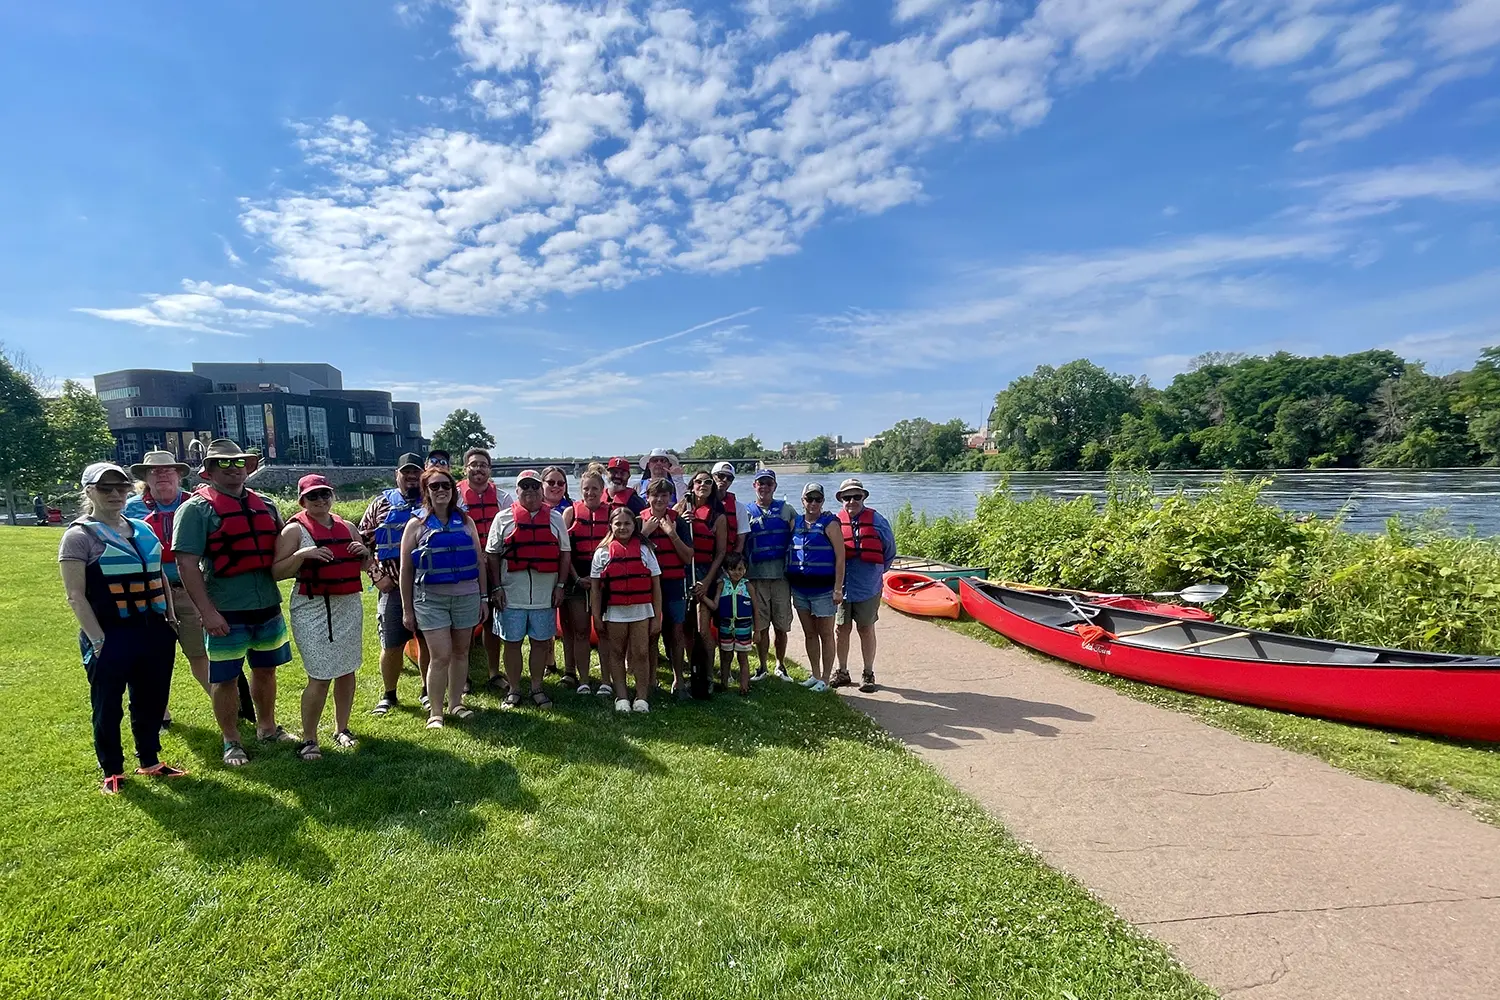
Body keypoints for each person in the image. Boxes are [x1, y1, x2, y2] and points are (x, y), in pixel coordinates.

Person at [60, 462, 187, 794]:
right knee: (108, 704)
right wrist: (97, 640)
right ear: (89, 492)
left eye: (122, 487)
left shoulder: (142, 529)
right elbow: (75, 595)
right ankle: (112, 769)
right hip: (110, 634)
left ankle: (150, 759)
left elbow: (158, 574)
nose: (116, 494)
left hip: (154, 630)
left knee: (151, 699)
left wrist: (170, 618)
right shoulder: (79, 537)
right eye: (106, 488)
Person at [172, 438, 293, 765]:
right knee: (225, 678)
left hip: (267, 604)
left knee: (266, 670)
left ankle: (267, 728)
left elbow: (285, 548)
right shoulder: (195, 509)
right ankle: (231, 740)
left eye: (239, 462)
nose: (233, 469)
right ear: (209, 470)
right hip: (225, 608)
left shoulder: (265, 504)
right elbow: (186, 564)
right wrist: (207, 612)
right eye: (223, 463)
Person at [126, 449, 248, 728]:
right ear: (145, 477)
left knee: (199, 653)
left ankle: (231, 708)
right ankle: (160, 713)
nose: (162, 475)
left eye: (168, 470)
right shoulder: (131, 508)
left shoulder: (197, 503)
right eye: (155, 471)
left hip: (190, 590)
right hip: (149, 591)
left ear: (179, 475)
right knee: (151, 655)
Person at [272, 475, 370, 758]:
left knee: (347, 670)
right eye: (313, 496)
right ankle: (309, 738)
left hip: (347, 606)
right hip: (312, 608)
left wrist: (364, 553)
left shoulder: (348, 527)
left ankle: (342, 728)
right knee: (320, 675)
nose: (320, 500)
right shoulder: (294, 531)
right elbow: (276, 572)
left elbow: (364, 565)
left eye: (325, 494)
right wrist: (302, 555)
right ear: (302, 501)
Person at [401, 465, 487, 728]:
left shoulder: (467, 522)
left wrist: (484, 598)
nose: (441, 490)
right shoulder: (415, 525)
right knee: (440, 656)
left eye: (446, 485)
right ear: (426, 491)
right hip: (430, 600)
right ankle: (436, 712)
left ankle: (456, 703)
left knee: (461, 652)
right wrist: (407, 609)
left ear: (453, 490)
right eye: (434, 486)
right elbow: (406, 570)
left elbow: (479, 562)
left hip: (466, 596)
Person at [486, 470, 570, 709]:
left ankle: (537, 687)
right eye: (525, 486)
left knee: (540, 643)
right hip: (511, 595)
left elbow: (565, 554)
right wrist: (496, 587)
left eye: (534, 486)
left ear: (541, 490)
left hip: (544, 595)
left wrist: (561, 586)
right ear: (517, 490)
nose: (530, 491)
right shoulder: (502, 519)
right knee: (512, 643)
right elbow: (492, 555)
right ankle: (514, 689)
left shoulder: (555, 518)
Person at [359, 453, 431, 716]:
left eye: (416, 472)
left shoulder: (432, 501)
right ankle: (389, 694)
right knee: (391, 644)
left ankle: (427, 690)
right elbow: (361, 545)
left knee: (427, 641)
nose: (411, 476)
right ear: (396, 475)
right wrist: (376, 576)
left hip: (428, 587)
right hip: (392, 587)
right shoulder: (379, 505)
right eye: (406, 472)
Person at [590, 504, 663, 713]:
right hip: (614, 612)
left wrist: (657, 617)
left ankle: (642, 698)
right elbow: (595, 590)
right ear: (611, 526)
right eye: (618, 524)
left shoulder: (645, 550)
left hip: (641, 611)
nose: (622, 527)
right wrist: (596, 616)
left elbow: (656, 586)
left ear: (634, 525)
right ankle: (621, 697)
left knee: (641, 653)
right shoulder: (602, 553)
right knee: (616, 652)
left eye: (627, 523)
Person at [833, 478, 896, 693]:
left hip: (867, 587)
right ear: (841, 499)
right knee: (841, 629)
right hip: (842, 587)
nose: (852, 501)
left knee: (866, 628)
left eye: (856, 496)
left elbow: (889, 551)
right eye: (847, 497)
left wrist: (877, 573)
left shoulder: (878, 521)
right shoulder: (835, 522)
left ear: (863, 497)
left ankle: (868, 673)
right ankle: (842, 671)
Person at [458, 448, 510, 693]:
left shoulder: (503, 498)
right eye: (473, 464)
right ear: (465, 468)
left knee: (492, 622)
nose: (478, 469)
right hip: (465, 568)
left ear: (490, 469)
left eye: (483, 465)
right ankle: (463, 675)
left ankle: (493, 672)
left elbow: (511, 529)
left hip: (493, 567)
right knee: (465, 623)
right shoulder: (455, 497)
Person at [785, 482, 845, 692]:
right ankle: (815, 674)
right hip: (800, 590)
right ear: (802, 501)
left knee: (825, 634)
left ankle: (826, 680)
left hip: (824, 591)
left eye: (817, 499)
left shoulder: (830, 524)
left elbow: (840, 558)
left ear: (823, 501)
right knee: (809, 633)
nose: (813, 503)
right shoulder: (795, 522)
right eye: (809, 499)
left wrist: (838, 588)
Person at [640, 477, 694, 698]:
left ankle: (678, 680)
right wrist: (644, 533)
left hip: (673, 584)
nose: (660, 500)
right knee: (651, 633)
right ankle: (651, 681)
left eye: (664, 495)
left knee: (676, 632)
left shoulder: (678, 522)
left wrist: (671, 533)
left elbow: (688, 556)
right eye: (655, 495)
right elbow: (628, 551)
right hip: (648, 586)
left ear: (670, 497)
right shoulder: (638, 521)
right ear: (648, 497)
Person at [561, 469, 609, 694]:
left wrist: (601, 579)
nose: (590, 493)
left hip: (605, 583)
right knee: (580, 631)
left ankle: (607, 680)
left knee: (604, 631)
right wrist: (577, 578)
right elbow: (564, 551)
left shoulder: (613, 513)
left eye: (595, 489)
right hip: (578, 580)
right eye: (586, 489)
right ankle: (583, 680)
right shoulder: (570, 513)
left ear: (602, 490)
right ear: (580, 490)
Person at [744, 468, 795, 681]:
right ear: (754, 486)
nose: (764, 487)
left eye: (768, 483)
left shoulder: (787, 510)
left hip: (781, 577)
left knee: (781, 626)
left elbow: (801, 532)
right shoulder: (746, 512)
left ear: (774, 486)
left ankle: (780, 665)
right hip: (756, 577)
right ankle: (763, 666)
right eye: (760, 483)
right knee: (761, 625)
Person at [677, 471, 728, 641]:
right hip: (682, 571)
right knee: (686, 626)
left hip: (705, 572)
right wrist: (680, 522)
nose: (703, 485)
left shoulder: (718, 517)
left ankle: (708, 658)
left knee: (702, 628)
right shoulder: (679, 510)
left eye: (708, 482)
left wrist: (707, 581)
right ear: (692, 486)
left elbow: (721, 552)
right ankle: (690, 658)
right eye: (699, 481)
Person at [539, 466, 574, 682]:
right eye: (550, 482)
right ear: (542, 485)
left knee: (568, 622)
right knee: (545, 620)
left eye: (560, 483)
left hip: (568, 571)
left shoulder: (572, 509)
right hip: (544, 572)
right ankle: (549, 662)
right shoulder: (534, 509)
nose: (555, 486)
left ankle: (570, 670)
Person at [709, 553, 758, 695]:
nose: (737, 572)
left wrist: (757, 630)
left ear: (745, 569)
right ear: (726, 570)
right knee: (726, 656)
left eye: (740, 569)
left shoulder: (748, 586)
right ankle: (724, 684)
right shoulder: (722, 585)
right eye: (733, 569)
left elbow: (756, 609)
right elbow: (715, 605)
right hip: (726, 626)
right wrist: (703, 598)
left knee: (743, 657)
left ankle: (744, 686)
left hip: (744, 627)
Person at [709, 461, 752, 555]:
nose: (725, 480)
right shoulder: (700, 502)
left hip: (728, 557)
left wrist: (735, 556)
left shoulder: (739, 507)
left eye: (729, 478)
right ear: (712, 477)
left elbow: (741, 539)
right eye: (721, 476)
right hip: (704, 556)